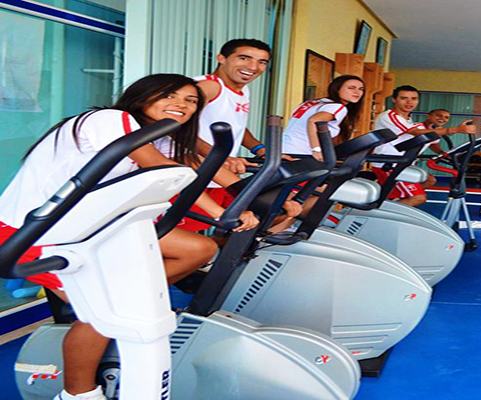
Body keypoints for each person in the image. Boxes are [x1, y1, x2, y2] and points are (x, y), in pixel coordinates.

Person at [0, 74, 258, 400]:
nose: (181, 105)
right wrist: (222, 213)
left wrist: (249, 202)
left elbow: (193, 170)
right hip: (37, 234)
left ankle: (137, 298)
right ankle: (78, 394)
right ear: (142, 97)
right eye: (169, 96)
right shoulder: (108, 119)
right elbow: (165, 170)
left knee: (197, 248)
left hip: (89, 230)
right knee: (104, 314)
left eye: (191, 101)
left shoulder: (156, 138)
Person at [185, 38, 299, 233]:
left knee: (262, 218)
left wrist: (261, 150)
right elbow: (179, 128)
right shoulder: (209, 86)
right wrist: (218, 156)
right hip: (193, 170)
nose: (253, 67)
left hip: (218, 174)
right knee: (189, 238)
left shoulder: (242, 90)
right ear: (221, 58)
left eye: (261, 62)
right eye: (244, 58)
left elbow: (237, 125)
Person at [372, 85, 475, 206]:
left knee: (429, 180)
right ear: (394, 100)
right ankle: (382, 210)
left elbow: (432, 144)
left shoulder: (408, 120)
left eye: (414, 99)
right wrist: (455, 129)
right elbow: (416, 133)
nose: (409, 102)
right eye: (404, 98)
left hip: (402, 163)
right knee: (418, 198)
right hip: (390, 164)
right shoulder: (391, 116)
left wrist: (444, 154)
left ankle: (393, 201)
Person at [282, 75, 365, 160]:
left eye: (361, 89)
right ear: (337, 89)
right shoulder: (337, 107)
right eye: (351, 88)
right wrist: (316, 150)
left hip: (284, 149)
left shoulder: (311, 103)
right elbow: (314, 120)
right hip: (301, 153)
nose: (357, 92)